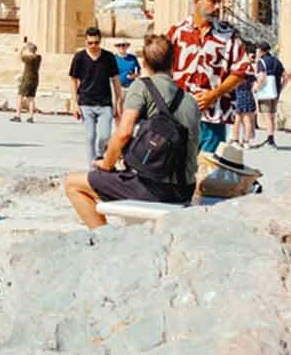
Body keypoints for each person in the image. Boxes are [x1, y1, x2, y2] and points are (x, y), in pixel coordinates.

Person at [64, 34, 199, 228]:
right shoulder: (190, 100)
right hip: (185, 188)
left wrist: (106, 164)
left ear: (144, 62)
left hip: (154, 188)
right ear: (174, 61)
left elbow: (123, 133)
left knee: (73, 184)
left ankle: (105, 239)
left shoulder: (142, 87)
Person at [167, 0, 249, 153]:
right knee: (179, 169)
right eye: (213, 1)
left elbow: (241, 71)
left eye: (220, 2)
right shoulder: (177, 32)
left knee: (208, 170)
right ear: (197, 2)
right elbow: (163, 69)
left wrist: (214, 94)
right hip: (180, 113)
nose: (219, 7)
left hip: (215, 116)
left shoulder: (229, 36)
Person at [69, 27, 121, 162]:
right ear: (85, 42)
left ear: (100, 41)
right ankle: (92, 166)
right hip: (86, 102)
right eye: (90, 43)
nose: (93, 46)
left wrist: (119, 101)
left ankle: (99, 153)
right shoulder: (79, 57)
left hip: (105, 103)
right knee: (90, 136)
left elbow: (115, 80)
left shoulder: (109, 57)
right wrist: (74, 103)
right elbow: (73, 80)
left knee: (104, 135)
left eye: (96, 43)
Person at [251, 43, 285, 148]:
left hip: (265, 92)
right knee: (272, 115)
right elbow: (286, 75)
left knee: (267, 116)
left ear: (261, 51)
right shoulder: (277, 61)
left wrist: (256, 88)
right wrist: (281, 87)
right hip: (276, 91)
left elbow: (262, 77)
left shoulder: (261, 62)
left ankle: (270, 139)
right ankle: (270, 137)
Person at [230, 46, 258, 147]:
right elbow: (255, 85)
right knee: (248, 120)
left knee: (237, 119)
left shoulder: (238, 68)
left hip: (239, 94)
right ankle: (246, 141)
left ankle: (235, 140)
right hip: (248, 94)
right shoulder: (250, 69)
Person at [13, 41, 41, 123]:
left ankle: (17, 115)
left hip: (27, 79)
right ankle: (31, 117)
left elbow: (20, 56)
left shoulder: (28, 58)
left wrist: (22, 48)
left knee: (20, 96)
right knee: (31, 98)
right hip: (35, 79)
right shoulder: (38, 57)